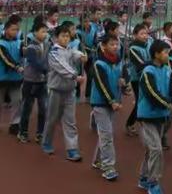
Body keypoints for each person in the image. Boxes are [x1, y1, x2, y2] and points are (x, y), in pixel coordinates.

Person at [137, 39, 172, 194]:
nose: (168, 55)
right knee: (156, 149)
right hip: (147, 116)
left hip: (161, 116)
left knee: (151, 150)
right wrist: (169, 105)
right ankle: (153, 182)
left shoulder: (167, 70)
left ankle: (143, 177)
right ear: (156, 54)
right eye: (165, 53)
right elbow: (152, 94)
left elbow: (170, 89)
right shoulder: (148, 71)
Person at [42, 25, 86, 161]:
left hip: (69, 91)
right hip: (55, 90)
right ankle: (47, 142)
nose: (66, 38)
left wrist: (82, 56)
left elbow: (75, 54)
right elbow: (62, 66)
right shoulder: (53, 52)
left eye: (67, 36)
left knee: (70, 120)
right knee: (52, 118)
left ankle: (72, 149)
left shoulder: (70, 49)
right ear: (56, 38)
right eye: (63, 36)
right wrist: (75, 76)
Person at [91, 34, 127, 181]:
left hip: (114, 102)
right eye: (112, 44)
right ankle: (108, 166)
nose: (115, 47)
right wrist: (112, 100)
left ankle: (97, 160)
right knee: (107, 135)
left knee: (105, 133)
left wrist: (125, 83)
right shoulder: (99, 64)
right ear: (104, 46)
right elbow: (101, 85)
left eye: (116, 44)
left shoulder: (120, 62)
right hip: (101, 103)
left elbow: (126, 77)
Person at [18, 22, 49, 143]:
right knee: (27, 108)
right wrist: (48, 70)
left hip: (42, 82)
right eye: (42, 31)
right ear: (35, 32)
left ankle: (40, 133)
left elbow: (49, 58)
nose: (45, 34)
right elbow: (35, 63)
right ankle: (23, 132)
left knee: (43, 108)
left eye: (46, 32)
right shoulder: (31, 47)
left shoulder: (46, 45)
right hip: (30, 81)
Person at [126, 23, 151, 136]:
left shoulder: (148, 44)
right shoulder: (133, 48)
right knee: (139, 102)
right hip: (137, 79)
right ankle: (129, 123)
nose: (145, 36)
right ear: (135, 35)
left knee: (144, 101)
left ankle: (142, 121)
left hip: (148, 77)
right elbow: (141, 64)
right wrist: (153, 63)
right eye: (142, 34)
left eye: (146, 33)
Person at [0, 20, 23, 135]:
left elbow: (25, 54)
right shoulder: (1, 43)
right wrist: (17, 67)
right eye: (13, 29)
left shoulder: (20, 42)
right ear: (6, 29)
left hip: (16, 78)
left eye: (17, 30)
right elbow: (6, 58)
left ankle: (15, 124)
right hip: (2, 78)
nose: (15, 32)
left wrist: (26, 51)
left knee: (17, 101)